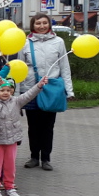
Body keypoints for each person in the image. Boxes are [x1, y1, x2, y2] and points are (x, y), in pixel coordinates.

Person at [18, 12, 74, 171]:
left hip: (51, 90)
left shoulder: (58, 42)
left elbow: (64, 67)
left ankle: (46, 158)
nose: (41, 26)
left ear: (49, 24)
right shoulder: (25, 43)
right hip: (31, 89)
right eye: (38, 23)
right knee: (33, 125)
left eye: (44, 23)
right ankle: (34, 156)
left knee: (48, 126)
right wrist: (18, 94)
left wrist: (69, 91)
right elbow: (19, 68)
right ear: (33, 26)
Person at [0, 76, 48, 196]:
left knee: (10, 165)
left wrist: (39, 85)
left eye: (8, 90)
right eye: (2, 90)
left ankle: (9, 187)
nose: (5, 93)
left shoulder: (16, 101)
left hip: (12, 140)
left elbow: (29, 95)